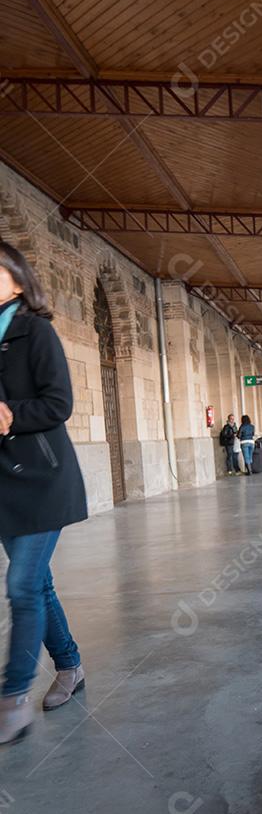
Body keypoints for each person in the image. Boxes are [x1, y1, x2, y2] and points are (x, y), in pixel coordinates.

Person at [0, 241, 87, 745]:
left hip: (43, 480)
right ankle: (70, 665)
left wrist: (9, 415)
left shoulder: (36, 331)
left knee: (21, 586)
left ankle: (12, 698)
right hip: (4, 486)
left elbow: (59, 403)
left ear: (18, 280)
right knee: (39, 584)